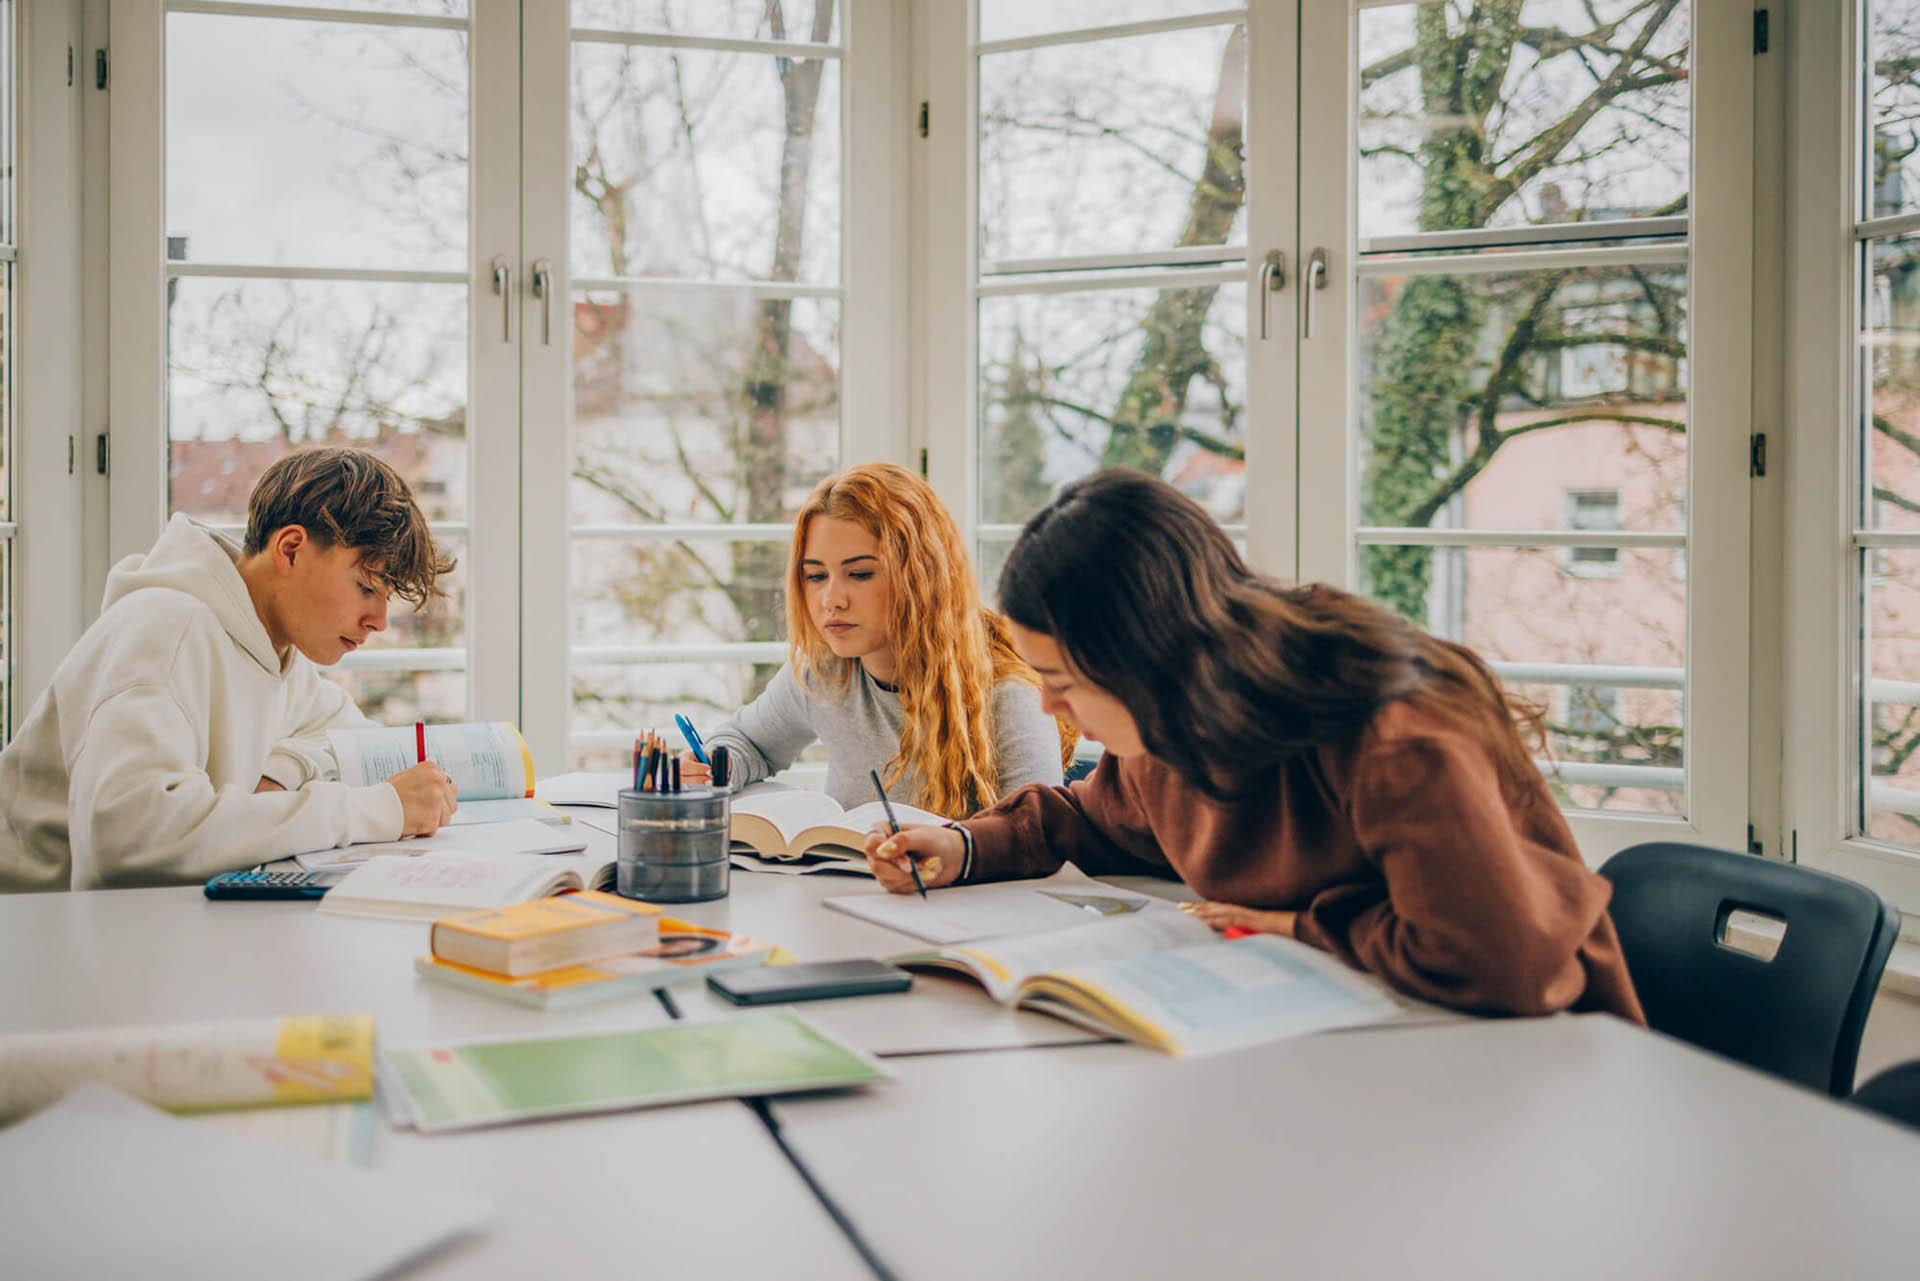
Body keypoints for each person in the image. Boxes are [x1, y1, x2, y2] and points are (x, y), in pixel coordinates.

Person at [864, 469, 1645, 1021]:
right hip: (1351, 1042)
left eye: (1065, 680)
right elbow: (1093, 820)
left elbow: (1494, 957)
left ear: (1145, 654)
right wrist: (964, 844)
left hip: (1526, 1067)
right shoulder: (1175, 716)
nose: (1045, 704)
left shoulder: (1393, 732)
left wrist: (1299, 925)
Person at [0, 448, 460, 892]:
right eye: (365, 587)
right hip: (34, 935)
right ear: (291, 549)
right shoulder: (166, 630)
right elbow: (127, 842)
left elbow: (350, 738)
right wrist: (375, 810)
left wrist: (281, 771)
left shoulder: (273, 648)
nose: (378, 621)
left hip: (135, 930)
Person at [683, 462, 1071, 819]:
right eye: (816, 576)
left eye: (861, 574)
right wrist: (714, 766)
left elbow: (1035, 836)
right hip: (840, 887)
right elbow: (748, 742)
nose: (832, 599)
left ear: (921, 576)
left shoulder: (1009, 695)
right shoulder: (823, 673)